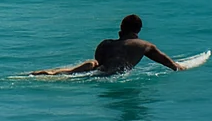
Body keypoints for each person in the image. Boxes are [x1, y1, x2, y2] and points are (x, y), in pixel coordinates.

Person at [31, 14, 182, 76]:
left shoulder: (105, 43)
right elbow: (164, 61)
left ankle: (48, 73)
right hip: (111, 76)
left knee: (82, 70)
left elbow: (100, 60)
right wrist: (177, 67)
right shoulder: (143, 45)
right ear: (138, 30)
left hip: (97, 69)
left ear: (122, 28)